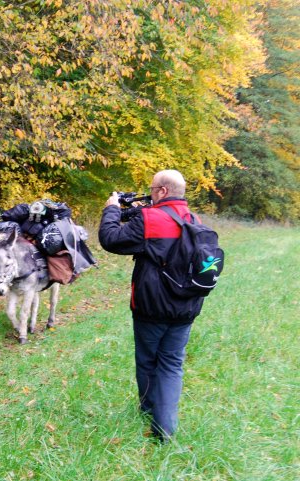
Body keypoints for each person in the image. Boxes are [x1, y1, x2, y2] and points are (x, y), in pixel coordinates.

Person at [98, 169, 206, 442]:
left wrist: (111, 209)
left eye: (152, 188)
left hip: (151, 308)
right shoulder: (195, 220)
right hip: (185, 309)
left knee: (147, 360)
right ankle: (166, 427)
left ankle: (148, 410)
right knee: (172, 364)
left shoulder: (149, 219)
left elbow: (110, 239)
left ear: (162, 191)